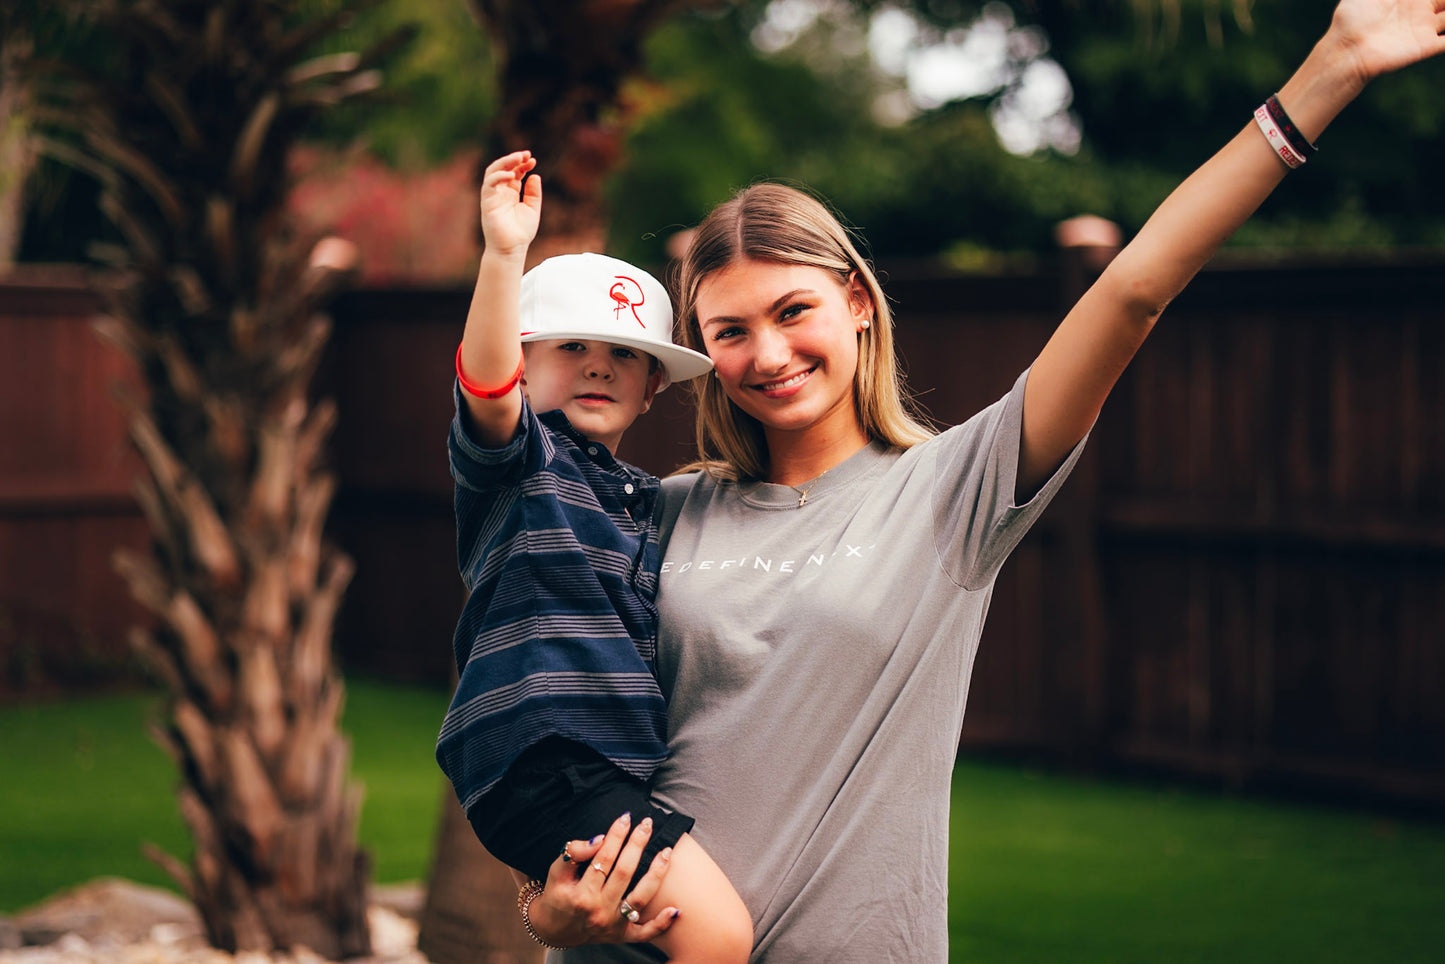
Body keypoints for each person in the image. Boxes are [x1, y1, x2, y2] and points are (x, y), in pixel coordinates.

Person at [516, 1, 1445, 960]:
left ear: (857, 302)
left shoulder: (957, 489)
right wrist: (541, 907)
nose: (769, 353)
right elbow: (556, 717)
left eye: (793, 311)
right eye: (731, 332)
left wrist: (1331, 69)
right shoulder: (656, 513)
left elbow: (1133, 290)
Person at [436, 150, 753, 962]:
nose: (600, 364)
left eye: (626, 355)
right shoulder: (521, 463)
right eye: (571, 345)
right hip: (548, 755)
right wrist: (503, 254)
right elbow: (485, 386)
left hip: (594, 766)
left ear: (651, 390)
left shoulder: (642, 497)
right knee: (717, 938)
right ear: (525, 364)